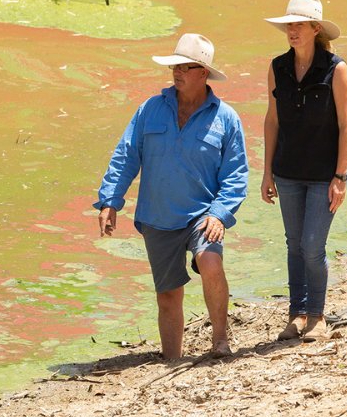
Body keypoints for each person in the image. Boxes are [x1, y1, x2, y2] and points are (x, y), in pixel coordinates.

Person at [95, 33, 249, 359]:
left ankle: (220, 341)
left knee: (210, 261)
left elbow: (236, 175)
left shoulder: (226, 119)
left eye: (185, 67)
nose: (176, 72)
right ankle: (172, 360)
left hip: (202, 214)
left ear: (203, 72)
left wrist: (219, 214)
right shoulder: (150, 109)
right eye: (174, 66)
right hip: (158, 216)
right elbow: (126, 155)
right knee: (168, 295)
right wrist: (110, 200)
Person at [259, 0, 347, 341]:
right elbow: (272, 121)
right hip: (287, 171)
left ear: (316, 28)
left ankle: (317, 314)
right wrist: (267, 171)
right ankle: (296, 314)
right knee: (294, 244)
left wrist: (340, 176)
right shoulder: (277, 67)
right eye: (289, 25)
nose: (292, 31)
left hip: (324, 175)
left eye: (299, 25)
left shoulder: (336, 69)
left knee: (313, 245)